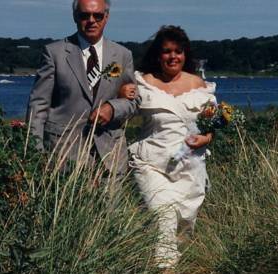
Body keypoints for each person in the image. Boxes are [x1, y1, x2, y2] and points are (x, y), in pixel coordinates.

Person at [129, 25, 216, 269]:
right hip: (151, 165)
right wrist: (122, 92)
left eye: (178, 51)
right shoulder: (143, 83)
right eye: (167, 51)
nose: (173, 57)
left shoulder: (199, 85)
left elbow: (213, 125)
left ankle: (174, 265)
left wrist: (206, 139)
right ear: (158, 55)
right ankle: (165, 268)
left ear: (185, 55)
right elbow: (122, 108)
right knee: (164, 216)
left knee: (184, 225)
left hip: (190, 168)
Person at [26, 0, 139, 173]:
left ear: (106, 17)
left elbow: (134, 101)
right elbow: (38, 106)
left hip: (110, 157)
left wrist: (112, 108)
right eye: (85, 15)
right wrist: (35, 154)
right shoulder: (54, 53)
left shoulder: (123, 55)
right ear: (75, 17)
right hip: (63, 156)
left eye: (98, 15)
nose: (91, 20)